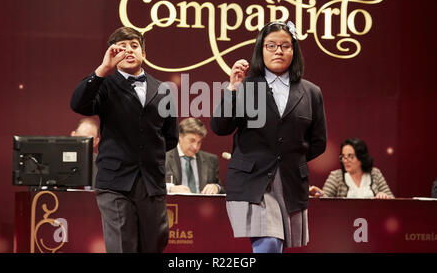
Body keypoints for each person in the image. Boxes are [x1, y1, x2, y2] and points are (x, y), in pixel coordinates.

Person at [211, 21, 327, 253]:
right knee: (270, 243)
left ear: (294, 51)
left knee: (277, 246)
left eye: (285, 46)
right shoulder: (246, 86)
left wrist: (290, 157)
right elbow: (220, 127)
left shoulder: (311, 92)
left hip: (290, 181)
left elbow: (318, 142)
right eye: (271, 45)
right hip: (252, 181)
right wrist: (232, 89)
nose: (278, 51)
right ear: (260, 50)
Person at [70, 26, 178, 253]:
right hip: (115, 182)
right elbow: (78, 104)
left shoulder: (164, 89)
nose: (128, 51)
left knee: (155, 243)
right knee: (122, 246)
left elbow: (170, 137)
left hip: (151, 182)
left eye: (134, 46)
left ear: (144, 54)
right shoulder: (105, 85)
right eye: (121, 47)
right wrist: (102, 69)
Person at [309, 138, 394, 199]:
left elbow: (392, 199)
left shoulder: (375, 173)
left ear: (361, 157)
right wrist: (319, 193)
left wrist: (384, 196)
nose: (345, 161)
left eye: (350, 156)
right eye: (343, 157)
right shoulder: (336, 176)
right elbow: (325, 197)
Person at [165, 117, 224, 194]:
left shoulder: (211, 160)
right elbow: (151, 184)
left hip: (202, 205)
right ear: (179, 137)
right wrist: (169, 188)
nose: (195, 147)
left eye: (199, 142)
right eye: (192, 141)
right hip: (174, 204)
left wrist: (216, 187)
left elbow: (221, 188)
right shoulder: (164, 158)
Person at [70, 117, 100, 189]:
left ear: (96, 141)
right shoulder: (59, 160)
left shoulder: (101, 165)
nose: (84, 143)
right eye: (81, 137)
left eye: (89, 139)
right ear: (73, 135)